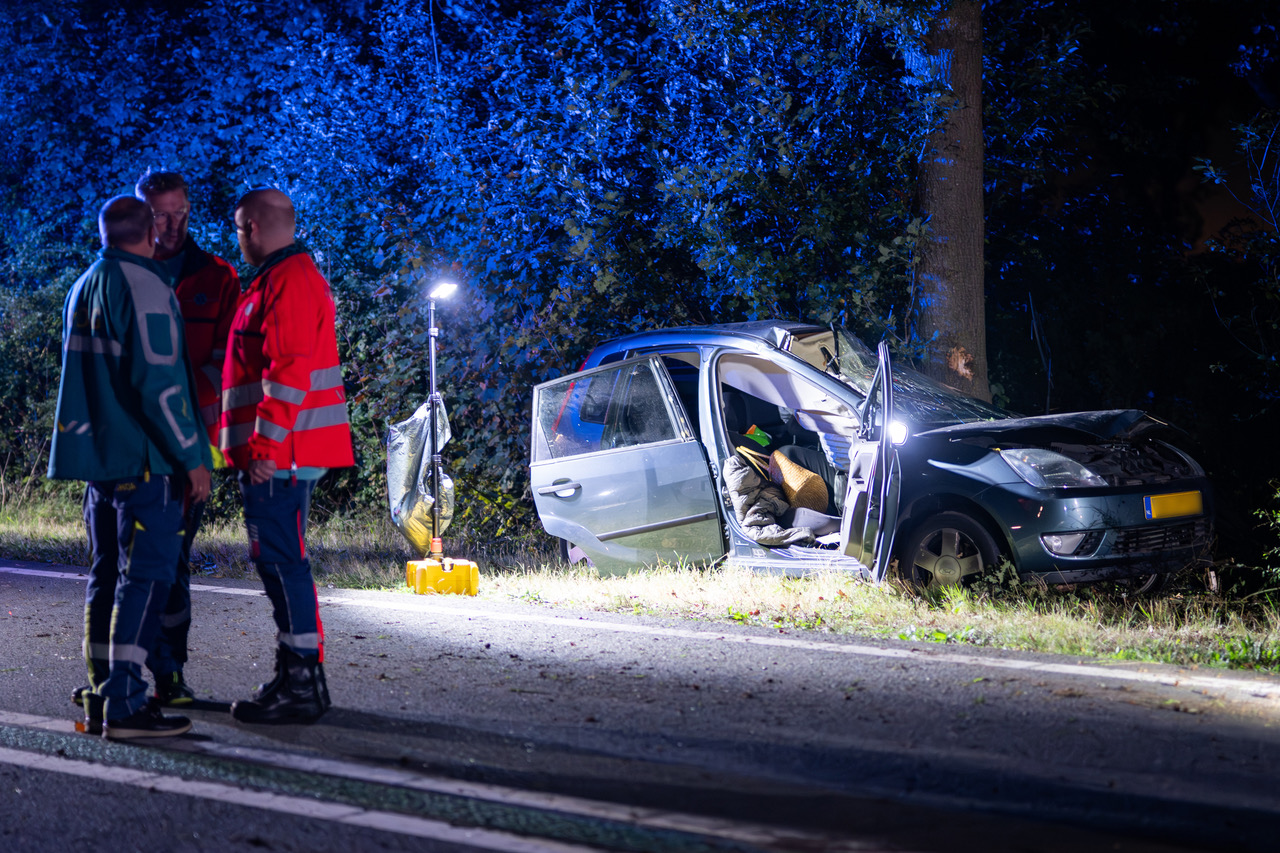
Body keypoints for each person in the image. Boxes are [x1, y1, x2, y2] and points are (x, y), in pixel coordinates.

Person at [49, 196, 212, 739]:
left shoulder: (85, 285)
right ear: (150, 233)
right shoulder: (145, 286)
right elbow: (160, 384)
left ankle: (101, 690)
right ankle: (124, 703)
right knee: (143, 581)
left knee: (106, 578)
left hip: (102, 464)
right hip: (145, 463)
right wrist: (193, 457)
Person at [221, 187, 353, 724]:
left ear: (250, 226)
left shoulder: (288, 280)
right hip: (285, 450)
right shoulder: (283, 278)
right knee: (278, 561)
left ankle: (301, 680)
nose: (238, 239)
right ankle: (299, 676)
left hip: (283, 453)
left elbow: (288, 368)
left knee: (281, 561)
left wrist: (264, 448)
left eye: (237, 229)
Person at [134, 170, 240, 705]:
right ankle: (121, 675)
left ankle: (169, 673)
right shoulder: (124, 271)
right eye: (159, 214)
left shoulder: (217, 276)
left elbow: (226, 365)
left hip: (190, 448)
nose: (171, 225)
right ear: (141, 214)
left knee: (171, 561)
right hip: (132, 446)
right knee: (124, 561)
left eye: (180, 213)